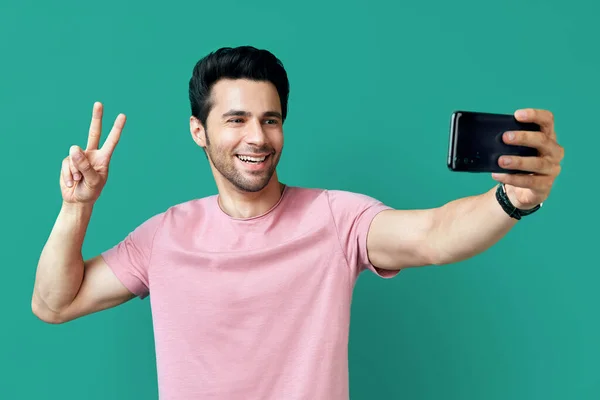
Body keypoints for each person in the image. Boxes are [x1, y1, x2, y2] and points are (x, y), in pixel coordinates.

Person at [31, 45, 564, 399]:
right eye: (235, 120)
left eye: (270, 120)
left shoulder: (337, 218)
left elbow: (435, 236)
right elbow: (54, 304)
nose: (257, 137)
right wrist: (77, 207)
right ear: (199, 131)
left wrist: (512, 199)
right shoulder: (163, 237)